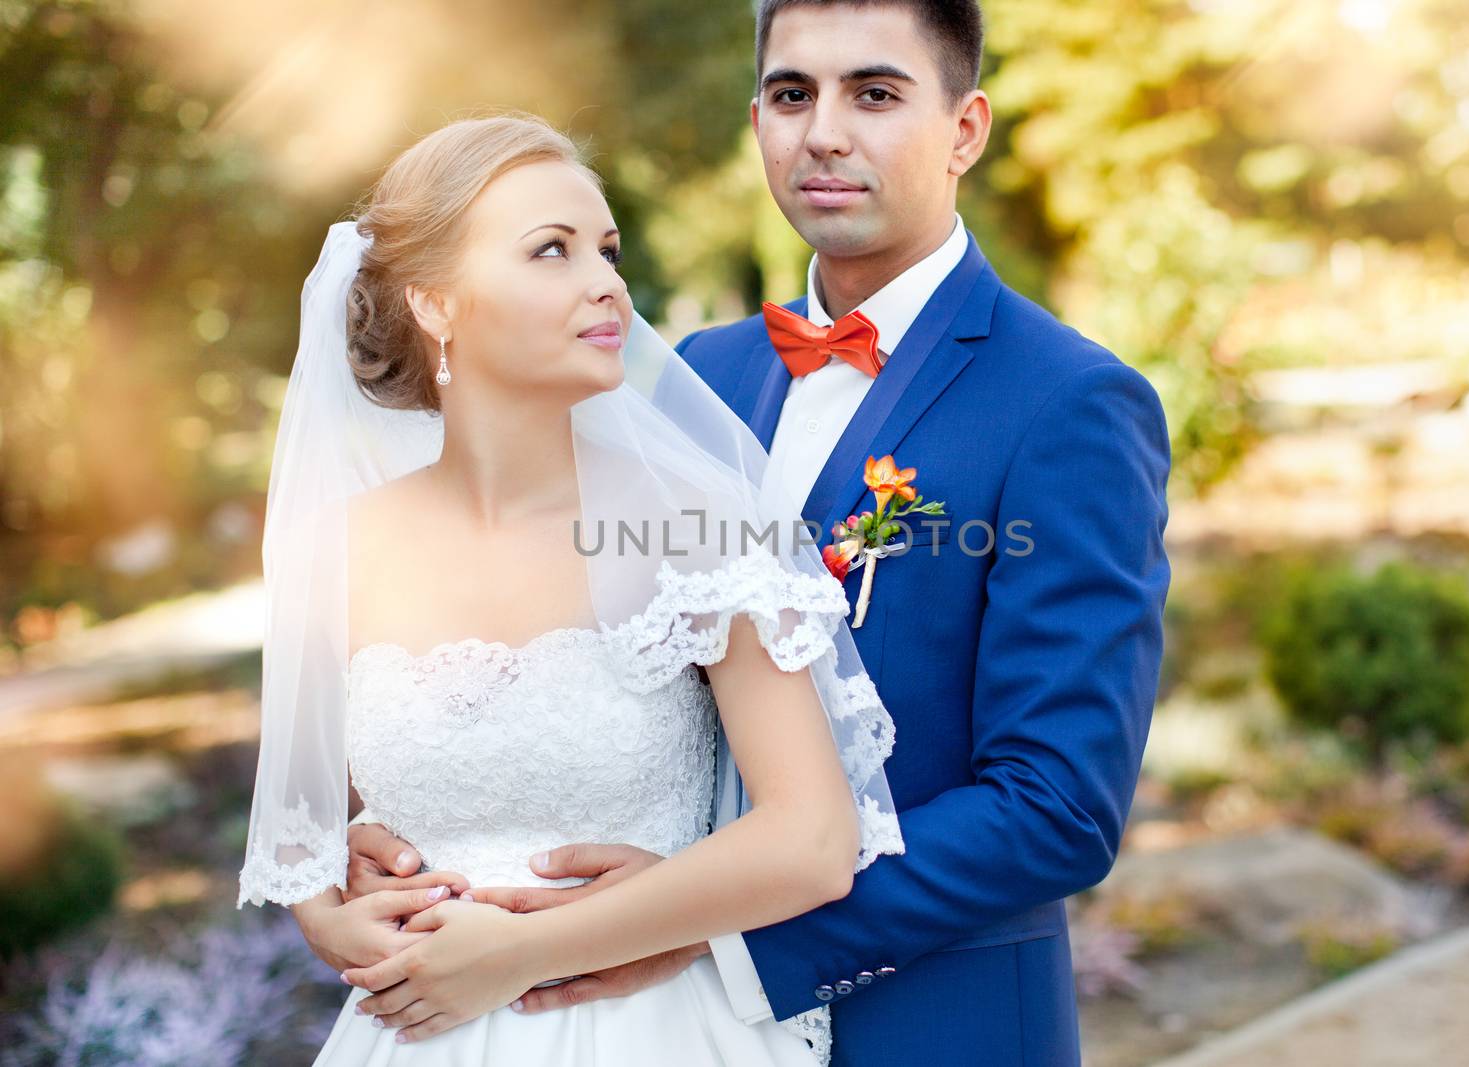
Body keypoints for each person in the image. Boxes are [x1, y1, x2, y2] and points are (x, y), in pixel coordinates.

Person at [335, 2, 1172, 1064]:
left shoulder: (1067, 403)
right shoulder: (693, 375)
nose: (823, 131)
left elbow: (1056, 804)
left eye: (874, 93)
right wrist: (410, 822)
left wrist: (706, 932)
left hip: (927, 1021)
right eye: (792, 94)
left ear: (965, 129)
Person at [238, 113, 904, 1066]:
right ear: (434, 303)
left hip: (656, 1031)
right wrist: (326, 908)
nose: (607, 283)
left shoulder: (698, 520)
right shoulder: (339, 545)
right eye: (551, 250)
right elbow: (308, 821)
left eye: (606, 249)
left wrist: (523, 949)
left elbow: (812, 839)